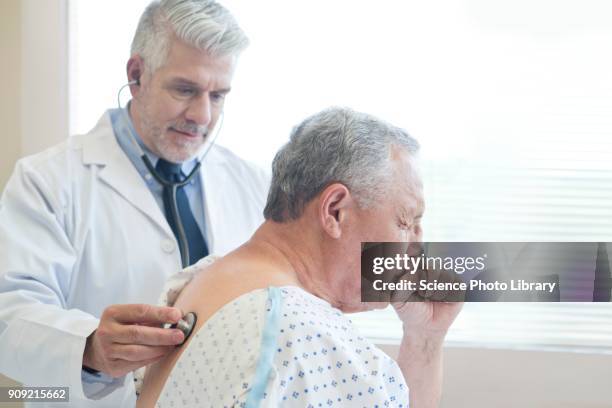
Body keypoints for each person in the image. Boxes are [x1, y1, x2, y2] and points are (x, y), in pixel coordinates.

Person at [0, 1, 268, 406]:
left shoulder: (253, 182)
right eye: (185, 89)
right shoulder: (48, 180)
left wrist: (401, 288)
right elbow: (8, 314)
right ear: (136, 74)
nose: (202, 114)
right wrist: (89, 349)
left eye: (219, 95)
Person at [137, 107, 462, 407]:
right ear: (335, 211)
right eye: (406, 221)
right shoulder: (305, 335)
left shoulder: (207, 281)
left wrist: (426, 336)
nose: (416, 247)